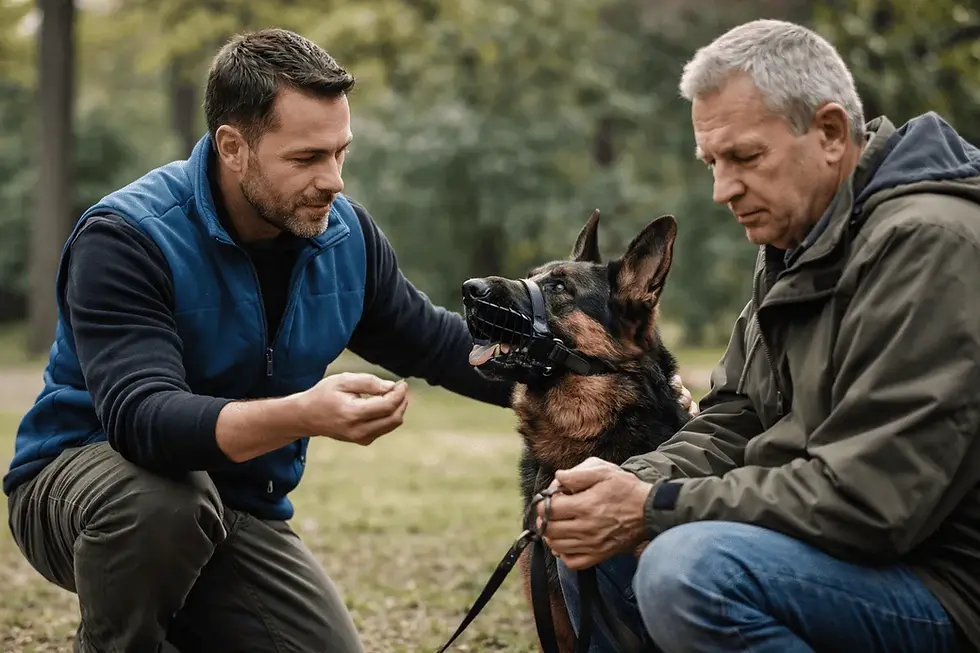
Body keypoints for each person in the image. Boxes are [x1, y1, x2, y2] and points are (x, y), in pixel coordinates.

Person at [2, 27, 698, 653]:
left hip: (234, 510)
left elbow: (436, 344)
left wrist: (624, 387)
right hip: (87, 485)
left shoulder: (342, 235)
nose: (332, 180)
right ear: (232, 147)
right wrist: (305, 412)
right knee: (165, 506)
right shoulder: (128, 237)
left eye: (340, 152)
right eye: (307, 157)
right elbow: (142, 422)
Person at [539, 18, 980, 653]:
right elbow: (736, 418)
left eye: (745, 157)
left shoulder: (929, 245)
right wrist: (624, 480)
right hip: (845, 553)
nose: (722, 190)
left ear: (829, 133)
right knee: (590, 530)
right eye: (711, 163)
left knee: (689, 571)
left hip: (943, 582)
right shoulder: (799, 240)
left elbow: (871, 502)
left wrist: (651, 504)